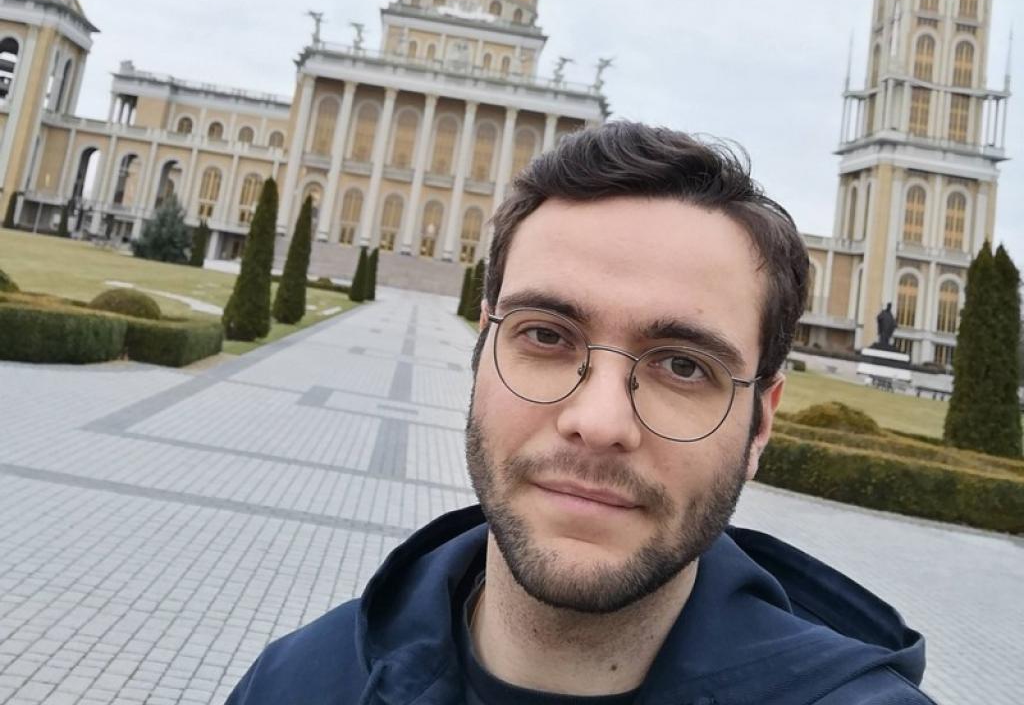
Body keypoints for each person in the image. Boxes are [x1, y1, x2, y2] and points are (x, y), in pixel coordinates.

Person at [226, 123, 934, 704]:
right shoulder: (296, 685)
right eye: (545, 336)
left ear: (761, 425)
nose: (598, 423)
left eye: (684, 365)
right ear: (480, 355)